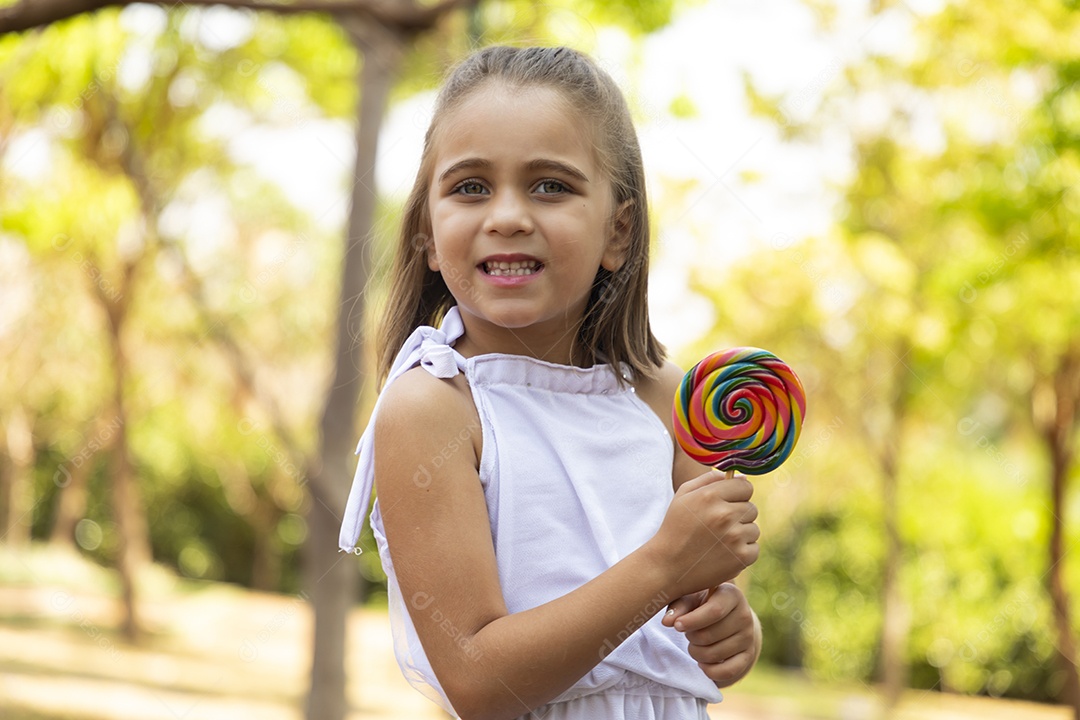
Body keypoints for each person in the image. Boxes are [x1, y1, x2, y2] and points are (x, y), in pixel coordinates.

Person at [339, 45, 762, 720]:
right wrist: (662, 568)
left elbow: (689, 600)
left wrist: (730, 622)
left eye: (551, 186)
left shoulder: (663, 397)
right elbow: (479, 683)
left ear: (618, 231)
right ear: (426, 228)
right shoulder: (434, 407)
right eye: (470, 187)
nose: (507, 214)